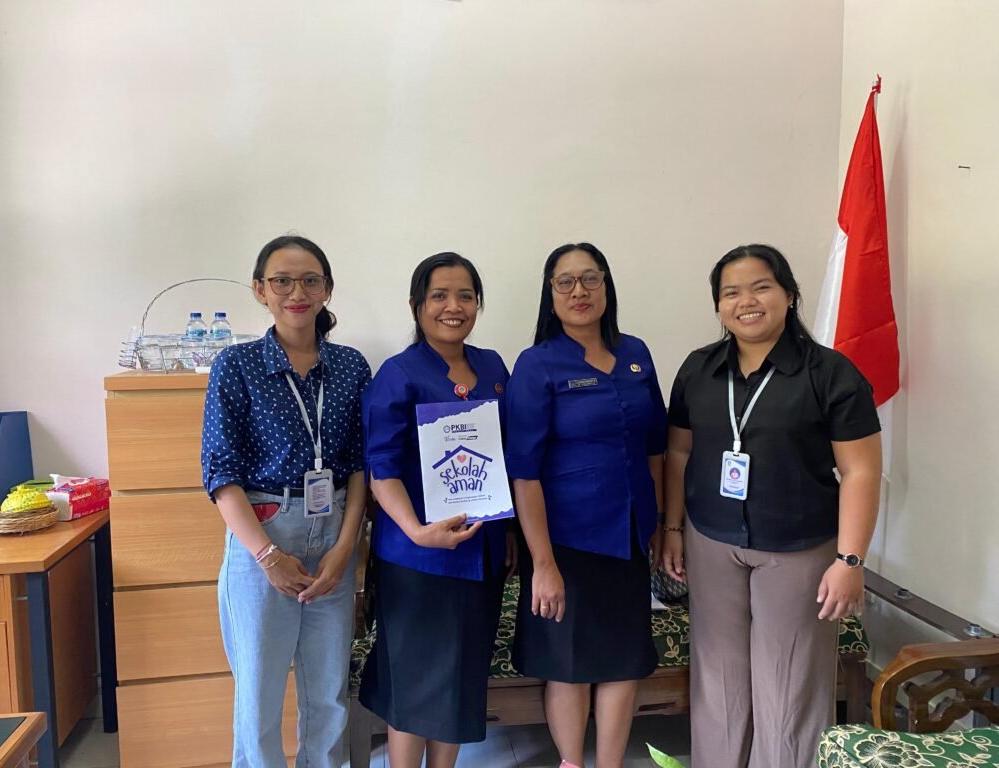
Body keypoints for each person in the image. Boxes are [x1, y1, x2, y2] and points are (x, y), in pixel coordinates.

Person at [661, 244, 882, 768]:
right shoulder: (699, 369)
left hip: (798, 548)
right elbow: (679, 452)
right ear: (718, 306)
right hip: (711, 540)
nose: (746, 301)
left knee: (789, 688)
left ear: (789, 295)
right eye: (731, 292)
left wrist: (850, 560)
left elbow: (861, 471)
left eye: (761, 287)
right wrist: (672, 529)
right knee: (718, 681)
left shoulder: (830, 373)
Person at [202, 235, 371, 768]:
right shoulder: (237, 365)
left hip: (334, 529)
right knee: (259, 694)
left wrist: (346, 549)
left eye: (310, 281)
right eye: (282, 281)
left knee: (328, 693)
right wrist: (267, 556)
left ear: (327, 289)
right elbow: (220, 474)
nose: (297, 293)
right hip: (265, 529)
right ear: (260, 290)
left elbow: (360, 465)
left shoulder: (350, 366)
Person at [505, 243, 668, 768]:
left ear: (606, 286)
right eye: (566, 281)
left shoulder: (636, 353)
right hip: (565, 542)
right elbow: (524, 472)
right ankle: (572, 763)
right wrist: (543, 564)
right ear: (550, 294)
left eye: (590, 278)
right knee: (569, 664)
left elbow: (657, 447)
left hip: (629, 536)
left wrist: (660, 523)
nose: (580, 291)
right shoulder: (536, 364)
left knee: (624, 661)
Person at [358, 252, 514, 768]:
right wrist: (416, 530)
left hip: (481, 555)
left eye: (466, 296)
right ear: (416, 305)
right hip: (418, 559)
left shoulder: (493, 367)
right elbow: (381, 468)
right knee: (415, 685)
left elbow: (505, 454)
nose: (454, 307)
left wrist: (509, 532)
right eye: (440, 296)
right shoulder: (398, 374)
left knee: (461, 682)